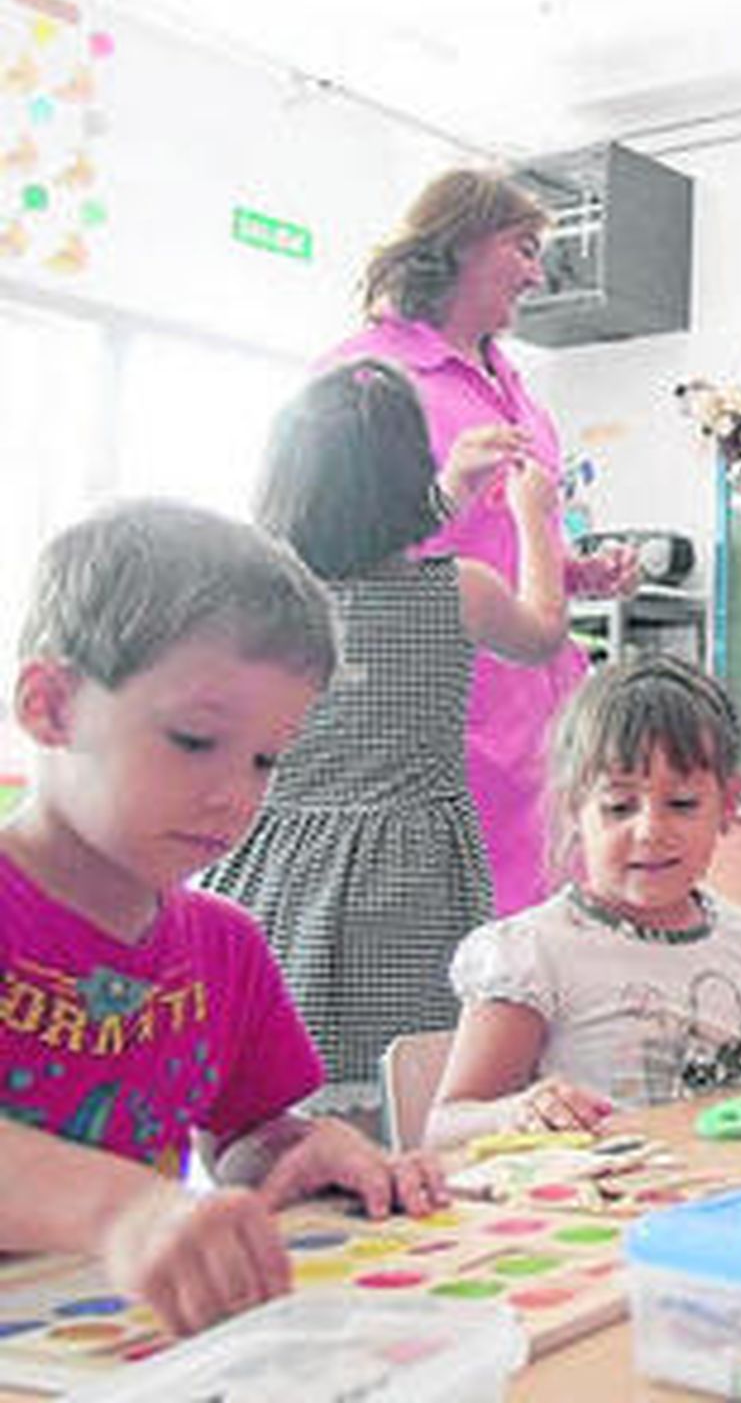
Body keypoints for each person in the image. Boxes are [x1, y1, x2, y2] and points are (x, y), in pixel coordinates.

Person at [0, 501, 446, 1338]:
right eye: (195, 740)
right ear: (50, 707)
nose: (237, 796)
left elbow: (241, 1143)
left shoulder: (224, 946)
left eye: (266, 759)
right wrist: (120, 1208)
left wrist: (298, 1153)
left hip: (105, 1352)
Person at [202, 359, 570, 1117]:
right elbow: (541, 634)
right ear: (410, 482)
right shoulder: (460, 591)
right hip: (408, 884)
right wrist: (533, 517)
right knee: (407, 1091)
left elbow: (352, 545)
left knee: (272, 1079)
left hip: (272, 871)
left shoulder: (256, 601)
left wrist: (452, 492)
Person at [424, 653, 741, 1147]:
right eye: (619, 806)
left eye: (683, 804)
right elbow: (445, 1124)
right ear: (575, 810)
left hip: (734, 1187)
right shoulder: (533, 955)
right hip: (611, 1195)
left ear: (727, 805)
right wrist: (518, 1111)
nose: (650, 830)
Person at [331, 168, 640, 917]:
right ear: (459, 243)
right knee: (450, 932)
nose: (538, 274)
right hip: (435, 704)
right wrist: (449, 493)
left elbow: (505, 539)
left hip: (539, 707)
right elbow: (334, 549)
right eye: (523, 248)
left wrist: (574, 570)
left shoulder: (515, 390)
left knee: (552, 921)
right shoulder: (367, 377)